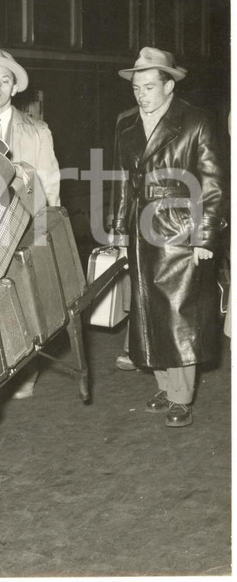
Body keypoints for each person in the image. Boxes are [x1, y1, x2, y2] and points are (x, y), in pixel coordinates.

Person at [111, 47, 226, 427]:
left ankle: (181, 396)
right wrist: (117, 227)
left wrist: (205, 238)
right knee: (149, 310)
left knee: (179, 313)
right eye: (136, 88)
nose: (141, 94)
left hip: (180, 227)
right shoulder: (126, 123)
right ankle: (165, 385)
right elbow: (124, 182)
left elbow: (212, 185)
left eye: (148, 86)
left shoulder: (196, 121)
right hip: (141, 231)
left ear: (169, 85)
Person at [0, 49, 61, 399]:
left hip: (23, 227)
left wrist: (48, 235)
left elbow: (50, 186)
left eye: (4, 81)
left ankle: (24, 373)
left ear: (14, 88)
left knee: (23, 298)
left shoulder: (37, 131)